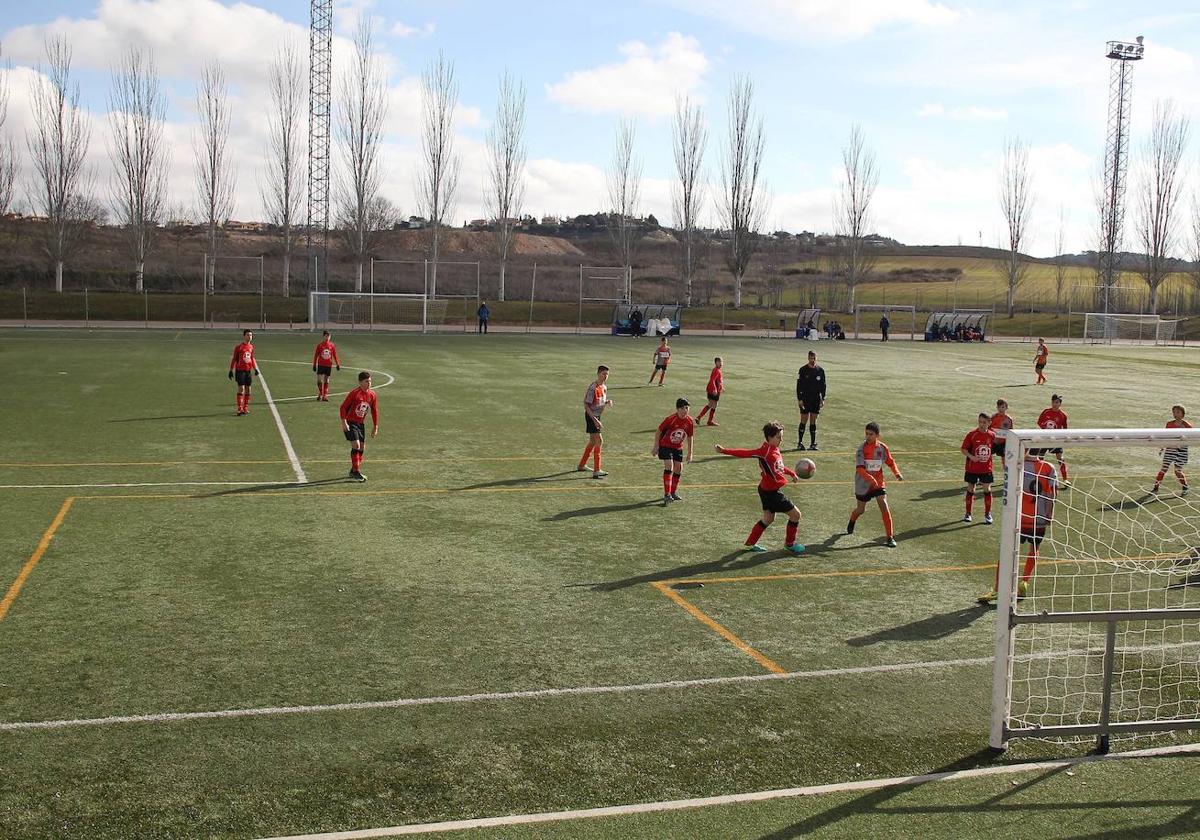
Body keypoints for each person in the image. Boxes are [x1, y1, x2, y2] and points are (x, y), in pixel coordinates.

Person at [979, 450, 1057, 603]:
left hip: (1018, 517)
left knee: (1006, 551)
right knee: (1034, 548)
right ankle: (1024, 582)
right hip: (1039, 517)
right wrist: (1049, 514)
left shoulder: (1016, 464)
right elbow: (1053, 494)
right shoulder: (1049, 467)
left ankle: (997, 589)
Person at [715, 421, 805, 554]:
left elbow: (778, 467)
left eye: (781, 436)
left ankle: (749, 544)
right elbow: (744, 453)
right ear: (769, 438)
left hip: (765, 489)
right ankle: (790, 544)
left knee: (768, 519)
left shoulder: (775, 449)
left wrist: (791, 473)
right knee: (796, 515)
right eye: (778, 437)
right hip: (772, 493)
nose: (781, 439)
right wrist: (724, 451)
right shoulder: (765, 451)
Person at [848, 421, 904, 547]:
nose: (868, 437)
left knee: (884, 505)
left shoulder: (883, 448)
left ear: (877, 435)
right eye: (866, 434)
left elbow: (890, 462)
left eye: (871, 434)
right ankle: (852, 520)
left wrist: (897, 473)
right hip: (863, 483)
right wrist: (870, 479)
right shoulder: (861, 449)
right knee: (860, 509)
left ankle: (889, 537)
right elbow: (860, 469)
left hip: (878, 482)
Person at [339, 371, 379, 482]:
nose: (369, 383)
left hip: (360, 424)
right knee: (356, 445)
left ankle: (353, 470)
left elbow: (374, 411)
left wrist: (375, 426)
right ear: (360, 382)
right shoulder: (354, 393)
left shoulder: (372, 395)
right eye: (366, 381)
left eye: (370, 381)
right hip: (350, 422)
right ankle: (356, 472)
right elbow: (343, 407)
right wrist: (344, 422)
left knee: (362, 447)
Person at [654, 398, 695, 503]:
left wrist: (690, 453)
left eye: (686, 408)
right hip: (665, 445)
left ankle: (673, 492)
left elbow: (690, 437)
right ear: (677, 409)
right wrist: (656, 446)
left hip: (677, 447)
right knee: (669, 465)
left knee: (679, 468)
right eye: (682, 408)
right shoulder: (671, 419)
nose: (684, 410)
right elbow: (659, 430)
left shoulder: (689, 421)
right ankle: (667, 494)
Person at [961, 413, 996, 524]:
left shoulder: (992, 435)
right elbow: (963, 449)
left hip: (986, 468)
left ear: (989, 423)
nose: (981, 424)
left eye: (984, 422)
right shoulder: (972, 435)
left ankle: (987, 514)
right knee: (971, 489)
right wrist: (972, 457)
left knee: (987, 490)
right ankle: (968, 513)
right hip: (972, 468)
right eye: (980, 422)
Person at [579, 365, 612, 478]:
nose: (605, 376)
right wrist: (595, 421)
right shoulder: (593, 388)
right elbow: (586, 405)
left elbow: (599, 401)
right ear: (598, 374)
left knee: (593, 441)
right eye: (603, 374)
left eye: (607, 374)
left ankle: (582, 465)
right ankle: (597, 470)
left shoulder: (604, 387)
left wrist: (607, 402)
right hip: (592, 416)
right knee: (599, 441)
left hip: (597, 416)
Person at [1152, 404, 1191, 495]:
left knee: (1177, 471)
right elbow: (1166, 437)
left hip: (1181, 451)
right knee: (1163, 469)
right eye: (1174, 412)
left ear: (1182, 413)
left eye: (1177, 412)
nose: (1175, 414)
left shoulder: (1187, 426)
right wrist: (1162, 447)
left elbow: (1191, 438)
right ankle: (1155, 487)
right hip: (1170, 449)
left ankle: (1185, 487)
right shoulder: (1169, 424)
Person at [795, 350, 826, 451]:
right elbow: (799, 386)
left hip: (816, 399)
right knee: (803, 420)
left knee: (813, 421)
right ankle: (800, 443)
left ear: (817, 358)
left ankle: (813, 444)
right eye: (811, 358)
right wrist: (800, 399)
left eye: (814, 358)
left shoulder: (820, 370)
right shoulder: (803, 370)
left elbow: (823, 386)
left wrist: (823, 398)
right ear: (808, 358)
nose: (813, 360)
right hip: (805, 399)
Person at [1036, 394, 1070, 484]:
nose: (1054, 404)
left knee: (1060, 458)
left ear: (1060, 404)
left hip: (1056, 439)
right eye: (1053, 402)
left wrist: (1062, 437)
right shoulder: (1046, 412)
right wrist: (1044, 427)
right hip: (1045, 438)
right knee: (1040, 457)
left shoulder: (1063, 415)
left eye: (1056, 402)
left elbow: (1065, 428)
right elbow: (1039, 422)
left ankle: (1065, 478)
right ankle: (1039, 476)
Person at [227, 328, 259, 416]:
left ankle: (245, 408)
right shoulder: (239, 347)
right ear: (244, 336)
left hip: (248, 371)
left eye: (251, 335)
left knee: (249, 389)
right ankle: (239, 408)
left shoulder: (251, 347)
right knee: (241, 388)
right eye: (248, 335)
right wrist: (231, 370)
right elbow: (234, 359)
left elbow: (252, 358)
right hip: (240, 371)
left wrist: (255, 369)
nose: (250, 337)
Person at [312, 330, 341, 401]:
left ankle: (324, 395)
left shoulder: (332, 345)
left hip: (328, 365)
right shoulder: (320, 345)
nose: (327, 337)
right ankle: (320, 393)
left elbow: (335, 355)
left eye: (329, 336)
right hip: (321, 365)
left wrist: (338, 364)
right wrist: (314, 364)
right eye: (326, 336)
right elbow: (316, 355)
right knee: (319, 380)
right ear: (323, 336)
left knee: (326, 380)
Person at [989, 399, 1014, 479]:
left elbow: (1011, 431)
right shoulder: (993, 418)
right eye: (999, 407)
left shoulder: (1008, 419)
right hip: (993, 442)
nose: (1001, 409)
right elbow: (988, 429)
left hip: (1003, 442)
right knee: (987, 457)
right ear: (997, 407)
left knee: (1004, 460)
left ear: (1006, 408)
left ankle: (1006, 476)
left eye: (1003, 407)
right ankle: (986, 474)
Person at [696, 357, 723, 426]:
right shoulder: (716, 370)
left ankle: (700, 417)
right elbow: (712, 380)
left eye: (722, 361)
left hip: (711, 389)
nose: (721, 363)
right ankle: (708, 421)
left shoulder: (717, 370)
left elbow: (718, 380)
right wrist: (715, 389)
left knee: (711, 404)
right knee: (714, 404)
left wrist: (721, 387)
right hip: (713, 390)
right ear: (716, 363)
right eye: (719, 362)